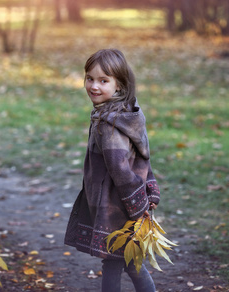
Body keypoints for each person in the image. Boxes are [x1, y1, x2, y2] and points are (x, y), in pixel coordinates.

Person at [64, 49, 161, 292]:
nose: (93, 86)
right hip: (130, 202)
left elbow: (121, 170)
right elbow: (142, 159)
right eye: (89, 78)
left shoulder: (108, 124)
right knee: (128, 260)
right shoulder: (129, 113)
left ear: (119, 86)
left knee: (117, 261)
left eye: (103, 80)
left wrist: (137, 207)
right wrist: (149, 190)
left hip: (118, 205)